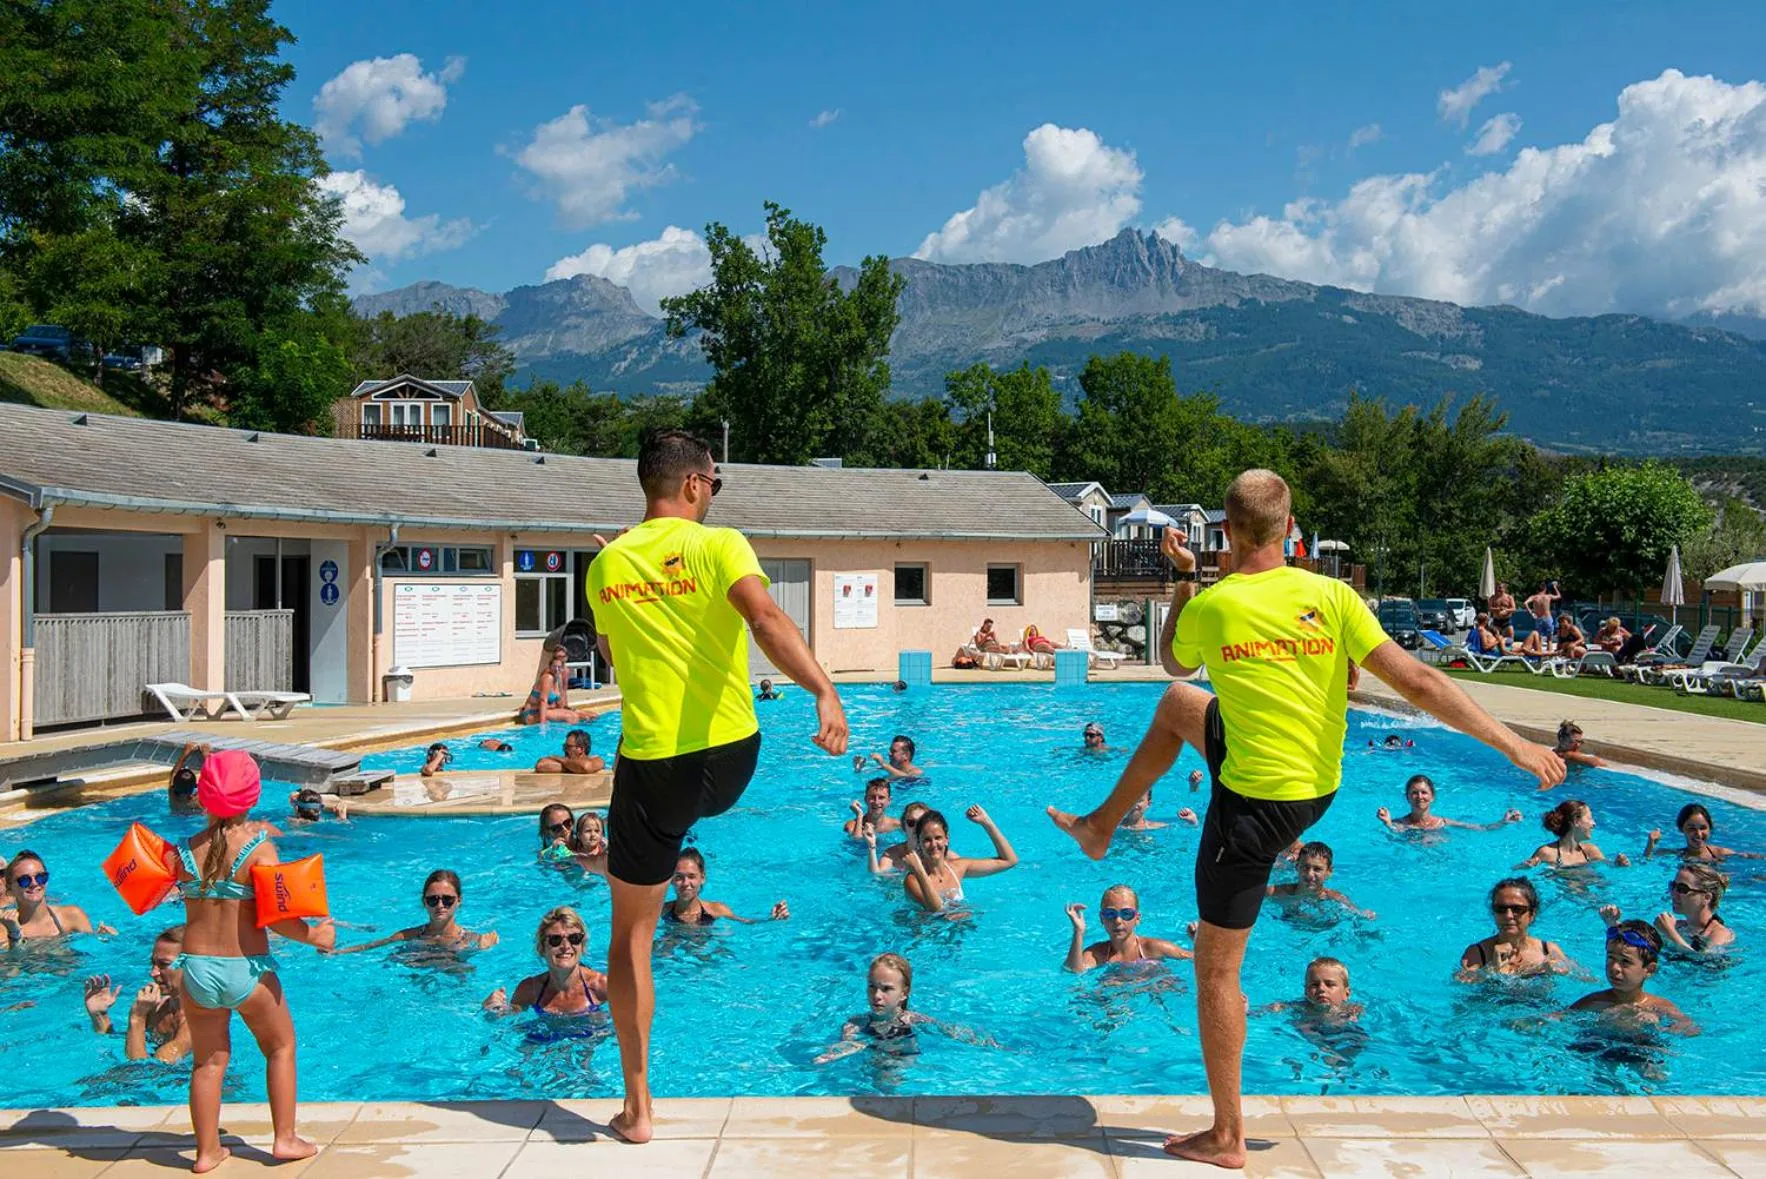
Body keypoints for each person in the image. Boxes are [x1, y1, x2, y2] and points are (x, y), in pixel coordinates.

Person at [1046, 469, 1563, 1168]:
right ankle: (1103, 823)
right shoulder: (1333, 595)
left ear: (1226, 532)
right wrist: (1516, 745)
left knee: (1215, 971)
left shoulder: (1215, 603)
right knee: (1178, 705)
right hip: (1314, 788)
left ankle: (1227, 1135)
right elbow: (1419, 680)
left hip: (1252, 805)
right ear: (1291, 531)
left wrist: (1185, 581)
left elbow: (1171, 652)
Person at [584, 429, 848, 1143]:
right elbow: (763, 617)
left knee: (629, 937)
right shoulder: (719, 544)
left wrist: (630, 584)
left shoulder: (604, 566)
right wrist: (824, 691)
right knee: (679, 853)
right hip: (732, 758)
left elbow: (613, 655)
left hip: (653, 771)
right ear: (696, 484)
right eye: (716, 484)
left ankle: (638, 1109)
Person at [172, 750, 333, 1172]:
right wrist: (317, 935)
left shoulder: (184, 852)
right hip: (246, 968)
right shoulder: (259, 851)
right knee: (281, 1047)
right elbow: (280, 919)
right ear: (252, 797)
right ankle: (285, 1139)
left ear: (204, 798)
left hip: (196, 970)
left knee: (208, 1062)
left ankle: (206, 1152)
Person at [814, 952, 997, 1063]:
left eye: (886, 989)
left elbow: (950, 1031)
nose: (877, 996)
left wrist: (985, 1043)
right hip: (873, 1061)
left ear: (903, 993)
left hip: (904, 1064)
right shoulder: (856, 1023)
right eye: (872, 987)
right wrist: (836, 1052)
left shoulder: (912, 1020)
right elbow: (845, 1044)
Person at [84, 925, 191, 1063]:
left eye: (164, 964)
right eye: (152, 963)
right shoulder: (157, 1007)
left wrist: (138, 1017)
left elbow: (143, 1074)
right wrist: (100, 1017)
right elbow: (130, 1046)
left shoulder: (198, 1024)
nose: (153, 973)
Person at [1568, 921, 1696, 1034]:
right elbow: (1558, 1018)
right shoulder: (1594, 1002)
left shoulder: (1659, 1006)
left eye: (1625, 961)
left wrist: (1657, 1027)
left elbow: (1692, 1029)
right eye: (1611, 958)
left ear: (1650, 970)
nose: (1614, 968)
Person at [331, 870, 498, 955]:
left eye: (447, 900)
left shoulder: (472, 940)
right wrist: (336, 952)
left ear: (459, 901)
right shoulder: (406, 936)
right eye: (433, 900)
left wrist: (481, 948)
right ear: (424, 902)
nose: (440, 905)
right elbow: (368, 947)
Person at [483, 907, 609, 1016]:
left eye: (574, 938)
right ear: (542, 948)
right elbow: (508, 1022)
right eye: (555, 939)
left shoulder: (602, 987)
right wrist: (493, 1009)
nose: (566, 946)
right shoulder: (530, 990)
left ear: (582, 945)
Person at [902, 806, 1018, 913]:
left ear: (946, 839)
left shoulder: (957, 868)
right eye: (927, 840)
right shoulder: (913, 880)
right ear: (919, 843)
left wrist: (986, 822)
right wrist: (920, 872)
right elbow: (938, 911)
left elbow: (1009, 861)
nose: (933, 844)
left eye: (938, 838)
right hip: (926, 933)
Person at [1609, 862, 1735, 954]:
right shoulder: (1679, 926)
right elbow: (1638, 943)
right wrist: (1612, 923)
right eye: (1673, 886)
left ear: (1706, 897)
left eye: (1682, 889)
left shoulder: (1720, 934)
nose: (1673, 894)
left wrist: (1669, 932)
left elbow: (1704, 963)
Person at [1459, 878, 1573, 977]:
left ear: (1532, 914)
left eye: (1517, 909)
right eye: (1501, 909)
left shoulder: (1548, 951)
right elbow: (1461, 985)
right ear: (1494, 913)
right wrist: (1492, 970)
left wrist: (1563, 969)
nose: (1508, 916)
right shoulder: (1478, 953)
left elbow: (1586, 978)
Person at [1064, 885, 1192, 971]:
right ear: (1101, 919)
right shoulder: (1097, 954)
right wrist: (1078, 932)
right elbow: (1074, 971)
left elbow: (1196, 958)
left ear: (1137, 918)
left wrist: (1199, 941)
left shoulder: (1154, 948)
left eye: (1126, 914)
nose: (1118, 921)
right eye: (1110, 914)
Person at [661, 848, 787, 925]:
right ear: (671, 879)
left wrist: (771, 919)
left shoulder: (717, 910)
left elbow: (746, 922)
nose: (685, 883)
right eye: (679, 877)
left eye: (692, 876)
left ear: (702, 878)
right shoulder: (660, 911)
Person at [4, 850, 111, 940]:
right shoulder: (4, 930)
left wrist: (107, 939)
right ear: (10, 889)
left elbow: (93, 954)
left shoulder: (72, 916)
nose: (34, 883)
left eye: (40, 877)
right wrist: (14, 934)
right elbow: (11, 964)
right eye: (24, 880)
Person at [1377, 774, 1522, 833]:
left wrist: (1504, 822)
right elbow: (1393, 838)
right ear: (1407, 797)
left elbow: (1482, 828)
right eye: (1414, 793)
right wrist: (1388, 824)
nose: (1419, 797)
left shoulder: (1443, 823)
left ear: (1432, 797)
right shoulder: (1399, 824)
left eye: (1424, 792)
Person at [1266, 842, 1374, 919]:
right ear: (1297, 867)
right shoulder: (1276, 892)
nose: (1310, 874)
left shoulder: (1335, 897)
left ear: (1329, 872)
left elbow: (1358, 913)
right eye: (1305, 867)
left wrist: (1365, 915)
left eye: (1317, 869)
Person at [1518, 800, 1630, 868]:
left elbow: (1609, 866)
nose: (1594, 824)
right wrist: (1526, 866)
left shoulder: (1591, 851)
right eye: (1590, 818)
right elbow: (1518, 871)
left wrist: (1619, 864)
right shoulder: (1547, 853)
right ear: (1576, 821)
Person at [1645, 802, 1763, 861]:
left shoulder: (1720, 853)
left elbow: (1748, 856)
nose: (1699, 834)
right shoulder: (1676, 854)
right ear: (1681, 829)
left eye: (1703, 828)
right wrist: (1650, 844)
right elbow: (1645, 862)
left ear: (1710, 828)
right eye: (1691, 829)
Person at [518, 638, 587, 725]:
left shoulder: (563, 673)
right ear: (551, 664)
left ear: (566, 658)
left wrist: (564, 707)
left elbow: (563, 693)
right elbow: (543, 699)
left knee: (591, 716)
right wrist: (542, 726)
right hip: (534, 712)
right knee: (571, 717)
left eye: (562, 657)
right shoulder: (548, 676)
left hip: (548, 709)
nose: (560, 659)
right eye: (557, 657)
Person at [867, 802, 930, 873]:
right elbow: (877, 876)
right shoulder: (892, 854)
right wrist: (871, 846)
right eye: (911, 822)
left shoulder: (936, 850)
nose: (916, 827)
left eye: (921, 822)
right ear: (904, 826)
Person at [855, 734, 925, 783]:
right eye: (890, 750)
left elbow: (905, 776)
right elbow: (864, 775)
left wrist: (883, 763)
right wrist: (858, 768)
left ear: (905, 755)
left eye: (893, 751)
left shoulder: (916, 772)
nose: (889, 753)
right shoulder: (891, 768)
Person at [534, 729, 605, 775]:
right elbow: (541, 765)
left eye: (568, 747)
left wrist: (562, 760)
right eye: (564, 746)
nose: (564, 749)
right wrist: (574, 767)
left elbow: (585, 767)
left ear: (581, 749)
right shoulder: (566, 762)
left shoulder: (597, 759)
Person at [169, 742, 207, 814]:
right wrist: (206, 756)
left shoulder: (172, 793)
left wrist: (185, 752)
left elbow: (173, 774)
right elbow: (212, 778)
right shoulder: (196, 801)